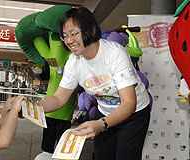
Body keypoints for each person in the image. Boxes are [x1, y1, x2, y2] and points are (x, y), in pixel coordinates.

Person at [38, 7, 151, 160]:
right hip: (104, 112)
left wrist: (101, 124)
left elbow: (129, 103)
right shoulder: (73, 61)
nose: (69, 40)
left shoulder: (115, 54)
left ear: (90, 29)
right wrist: (32, 108)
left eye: (73, 34)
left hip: (134, 114)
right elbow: (58, 98)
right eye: (65, 36)